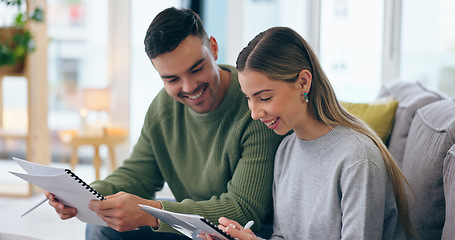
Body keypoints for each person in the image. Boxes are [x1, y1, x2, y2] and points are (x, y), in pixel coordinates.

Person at [44, 7, 284, 239]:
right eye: (172, 79)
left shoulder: (253, 105)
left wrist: (152, 214)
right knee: (103, 228)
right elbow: (137, 175)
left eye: (197, 68)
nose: (189, 87)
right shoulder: (163, 109)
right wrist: (83, 195)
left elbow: (242, 210)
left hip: (246, 232)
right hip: (192, 229)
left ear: (213, 47)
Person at [199, 26, 418, 240]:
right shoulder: (286, 149)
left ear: (303, 82)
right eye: (248, 98)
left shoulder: (357, 159)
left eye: (264, 97)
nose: (255, 113)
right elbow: (282, 235)